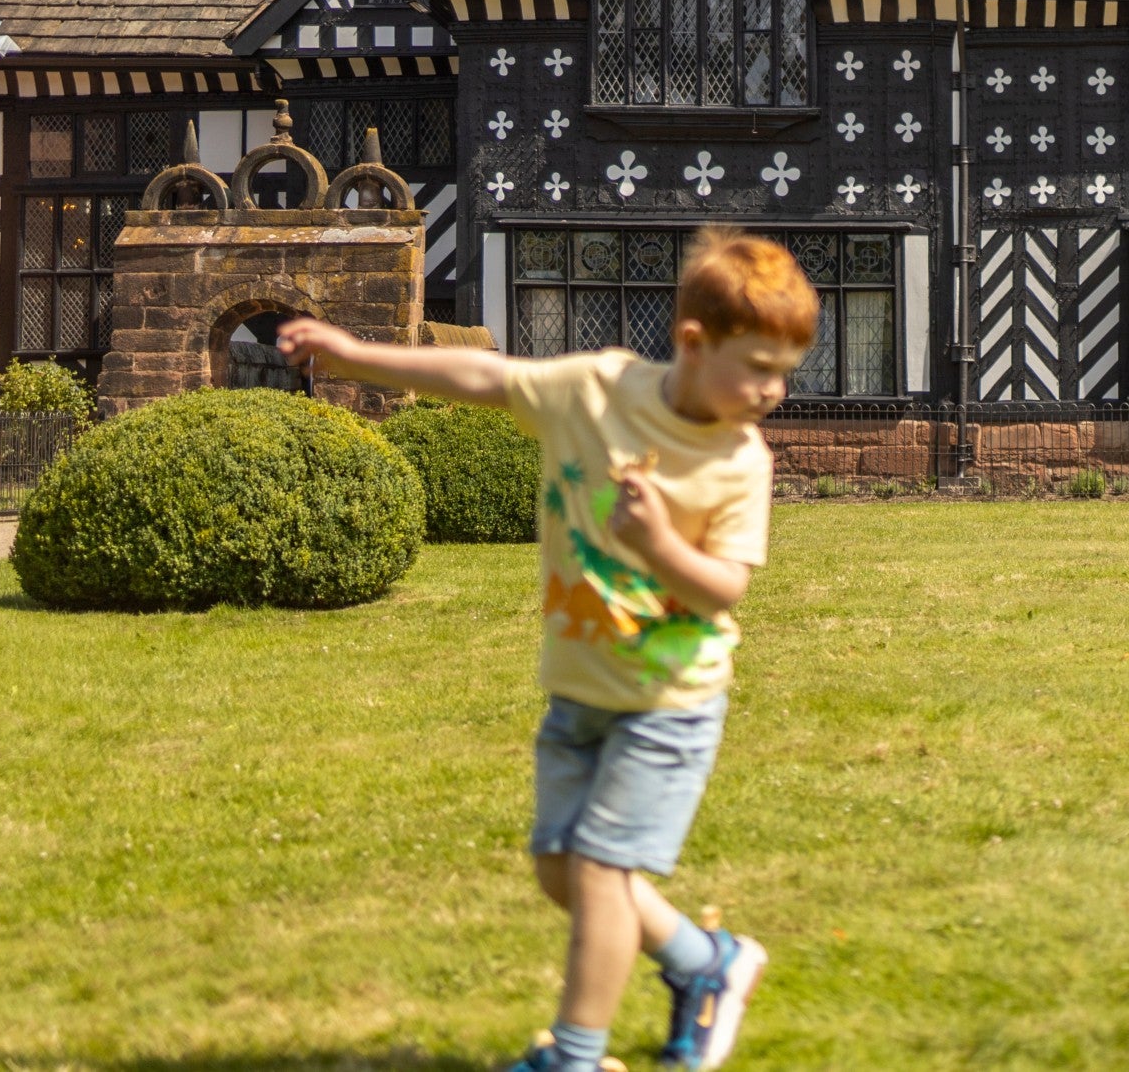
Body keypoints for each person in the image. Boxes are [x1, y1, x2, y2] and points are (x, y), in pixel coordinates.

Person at [277, 228, 814, 1072]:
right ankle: (705, 967)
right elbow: (484, 377)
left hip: (669, 702)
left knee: (600, 872)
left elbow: (724, 588)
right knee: (563, 872)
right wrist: (354, 355)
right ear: (693, 343)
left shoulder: (740, 460)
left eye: (786, 370)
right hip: (579, 691)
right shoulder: (595, 390)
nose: (774, 390)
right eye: (757, 366)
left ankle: (574, 1056)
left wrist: (661, 542)